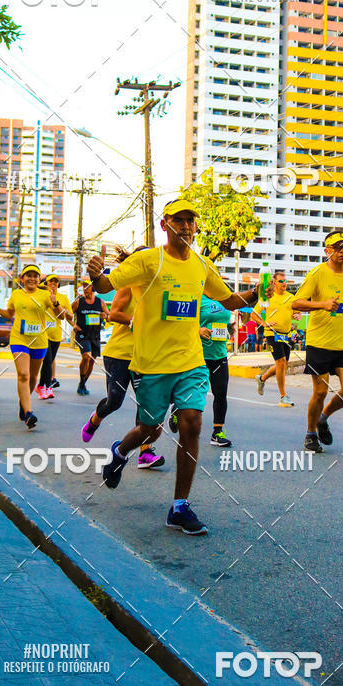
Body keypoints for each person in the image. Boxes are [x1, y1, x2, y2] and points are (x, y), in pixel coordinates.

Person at [87, 198, 259, 536]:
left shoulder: (200, 264)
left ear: (195, 227)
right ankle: (121, 451)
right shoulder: (148, 261)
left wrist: (254, 293)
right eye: (178, 220)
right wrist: (96, 276)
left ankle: (179, 507)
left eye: (190, 221)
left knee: (192, 422)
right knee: (149, 431)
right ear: (165, 225)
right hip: (152, 364)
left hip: (192, 361)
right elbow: (108, 286)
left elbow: (227, 299)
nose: (185, 227)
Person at [81, 247, 165, 470]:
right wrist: (138, 322)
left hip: (144, 354)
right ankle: (94, 420)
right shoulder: (129, 285)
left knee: (145, 404)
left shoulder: (156, 288)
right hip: (119, 353)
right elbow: (114, 313)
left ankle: (144, 453)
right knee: (114, 401)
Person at [292, 231, 343, 453]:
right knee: (320, 392)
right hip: (319, 342)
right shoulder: (317, 273)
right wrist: (323, 305)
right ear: (327, 251)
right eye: (337, 248)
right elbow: (296, 303)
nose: (342, 252)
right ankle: (310, 435)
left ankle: (323, 418)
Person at [0, 264, 65, 429]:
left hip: (40, 341)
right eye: (28, 275)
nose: (32, 278)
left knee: (33, 377)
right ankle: (28, 413)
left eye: (35, 276)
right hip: (19, 340)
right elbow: (9, 313)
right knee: (23, 374)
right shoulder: (16, 294)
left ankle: (23, 402)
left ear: (39, 279)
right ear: (22, 279)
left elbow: (61, 316)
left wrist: (55, 304)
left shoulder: (45, 295)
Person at [253, 273, 295, 407]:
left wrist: (297, 315)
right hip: (272, 333)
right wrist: (264, 323)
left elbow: (294, 312)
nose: (284, 283)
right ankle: (283, 396)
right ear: (274, 282)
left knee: (283, 365)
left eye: (285, 281)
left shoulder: (290, 297)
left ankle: (262, 378)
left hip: (286, 335)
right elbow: (254, 314)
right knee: (281, 362)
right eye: (281, 281)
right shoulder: (267, 296)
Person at [199, 293, 233, 446]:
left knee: (221, 393)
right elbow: (182, 322)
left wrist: (229, 330)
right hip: (198, 354)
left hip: (219, 354)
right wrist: (199, 329)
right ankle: (176, 411)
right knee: (194, 393)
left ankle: (217, 432)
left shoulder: (224, 298)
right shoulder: (197, 297)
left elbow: (225, 321)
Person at [36, 274, 73, 399]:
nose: (53, 283)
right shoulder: (41, 296)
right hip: (43, 333)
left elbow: (69, 316)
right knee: (47, 361)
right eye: (50, 281)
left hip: (56, 334)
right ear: (46, 283)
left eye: (56, 282)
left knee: (50, 361)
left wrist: (63, 309)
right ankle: (46, 387)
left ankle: (42, 386)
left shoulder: (63, 297)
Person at [72, 282, 109, 395]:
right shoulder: (78, 302)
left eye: (87, 287)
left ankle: (82, 383)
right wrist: (73, 324)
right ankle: (82, 384)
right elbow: (67, 314)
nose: (85, 290)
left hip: (95, 336)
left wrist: (105, 316)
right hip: (82, 335)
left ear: (93, 288)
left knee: (91, 361)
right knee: (86, 356)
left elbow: (109, 316)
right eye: (84, 288)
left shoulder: (100, 302)